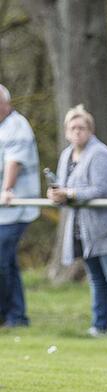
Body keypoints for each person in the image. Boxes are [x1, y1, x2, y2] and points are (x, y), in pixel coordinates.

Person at [49, 105, 107, 336]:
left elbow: (103, 188)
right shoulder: (67, 155)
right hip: (86, 231)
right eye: (73, 127)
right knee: (97, 280)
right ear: (67, 131)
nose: (77, 131)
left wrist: (70, 193)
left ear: (91, 130)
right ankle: (99, 326)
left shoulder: (100, 154)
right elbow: (64, 186)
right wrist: (57, 195)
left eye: (82, 127)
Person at [0, 84, 40, 327]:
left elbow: (14, 162)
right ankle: (16, 316)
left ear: (5, 103)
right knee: (9, 264)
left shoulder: (17, 126)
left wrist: (6, 190)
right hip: (2, 212)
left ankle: (7, 313)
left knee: (1, 261)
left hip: (15, 209)